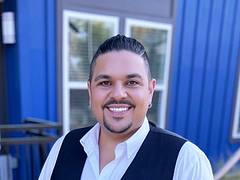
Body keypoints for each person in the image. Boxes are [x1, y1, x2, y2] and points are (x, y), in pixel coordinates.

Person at [39, 35, 214, 180]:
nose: (118, 94)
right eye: (105, 82)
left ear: (150, 91)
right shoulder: (63, 147)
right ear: (90, 91)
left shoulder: (186, 161)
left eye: (132, 82)